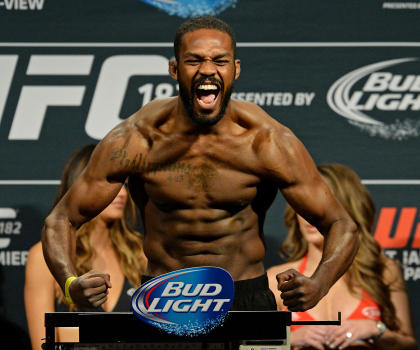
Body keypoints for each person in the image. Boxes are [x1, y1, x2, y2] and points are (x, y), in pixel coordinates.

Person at [41, 16, 359, 313]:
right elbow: (61, 220)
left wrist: (320, 283)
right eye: (194, 60)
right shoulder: (137, 140)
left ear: (235, 69)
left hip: (244, 299)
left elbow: (341, 225)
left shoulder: (267, 143)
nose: (208, 70)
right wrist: (70, 285)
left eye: (219, 61)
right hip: (164, 299)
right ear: (175, 69)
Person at [267, 163, 417, 350]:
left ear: (345, 212)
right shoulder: (276, 278)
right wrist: (289, 340)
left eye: (321, 206)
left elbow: (409, 345)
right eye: (304, 207)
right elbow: (250, 346)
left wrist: (376, 330)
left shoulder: (382, 270)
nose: (310, 216)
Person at [25, 144, 147, 350]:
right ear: (81, 188)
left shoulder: (141, 253)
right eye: (111, 182)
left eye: (123, 183)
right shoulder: (44, 257)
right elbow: (42, 346)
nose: (121, 193)